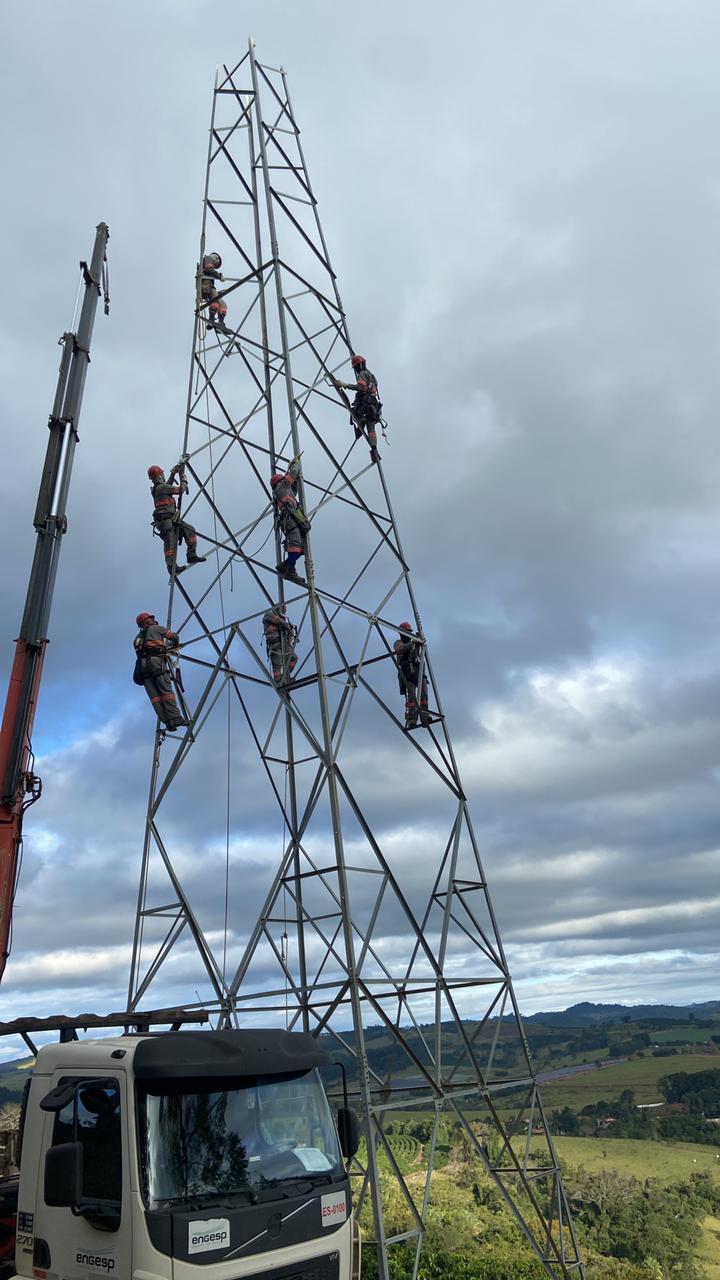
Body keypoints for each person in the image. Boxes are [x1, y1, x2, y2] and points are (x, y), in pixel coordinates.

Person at [148, 463, 206, 579]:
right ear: (159, 476)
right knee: (170, 542)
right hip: (166, 522)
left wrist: (173, 473)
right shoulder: (161, 488)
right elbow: (180, 490)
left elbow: (167, 486)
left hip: (170, 519)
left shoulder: (158, 488)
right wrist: (184, 479)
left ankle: (191, 555)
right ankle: (172, 567)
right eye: (162, 474)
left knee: (189, 530)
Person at [133, 612, 188, 731]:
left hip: (143, 669)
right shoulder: (156, 628)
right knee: (166, 692)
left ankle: (168, 723)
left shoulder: (137, 638)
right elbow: (174, 637)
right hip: (156, 664)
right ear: (148, 621)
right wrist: (174, 646)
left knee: (155, 698)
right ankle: (176, 719)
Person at [270, 455, 309, 585]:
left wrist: (294, 475)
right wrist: (295, 463)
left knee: (300, 546)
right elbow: (293, 473)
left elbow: (294, 488)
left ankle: (287, 566)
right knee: (296, 543)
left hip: (290, 519)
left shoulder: (284, 490)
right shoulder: (281, 487)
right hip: (289, 520)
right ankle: (288, 567)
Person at [334, 354, 381, 462]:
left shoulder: (363, 374)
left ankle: (361, 424)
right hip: (373, 406)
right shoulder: (372, 376)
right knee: (371, 429)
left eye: (355, 367)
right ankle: (374, 451)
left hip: (365, 404)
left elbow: (361, 387)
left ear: (358, 366)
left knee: (356, 413)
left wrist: (345, 385)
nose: (356, 370)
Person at [394, 622, 431, 728]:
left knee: (423, 693)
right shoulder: (399, 642)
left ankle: (424, 715)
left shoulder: (415, 643)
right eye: (406, 631)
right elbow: (399, 649)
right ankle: (412, 718)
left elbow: (418, 651)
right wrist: (413, 643)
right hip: (407, 673)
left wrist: (419, 639)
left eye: (409, 631)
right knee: (411, 696)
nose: (408, 633)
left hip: (417, 670)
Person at [262, 602, 298, 685]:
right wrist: (287, 625)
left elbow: (287, 629)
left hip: (284, 644)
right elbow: (277, 620)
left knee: (293, 658)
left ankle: (286, 677)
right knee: (278, 664)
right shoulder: (268, 615)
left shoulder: (283, 620)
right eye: (282, 610)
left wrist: (291, 631)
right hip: (275, 644)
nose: (283, 612)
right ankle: (279, 682)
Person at [198, 251, 229, 331]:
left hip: (209, 288)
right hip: (206, 287)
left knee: (223, 305)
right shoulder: (207, 258)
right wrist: (219, 276)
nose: (215, 266)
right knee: (215, 301)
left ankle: (220, 323)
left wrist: (218, 293)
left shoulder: (206, 262)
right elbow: (209, 268)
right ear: (216, 259)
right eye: (216, 264)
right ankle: (211, 320)